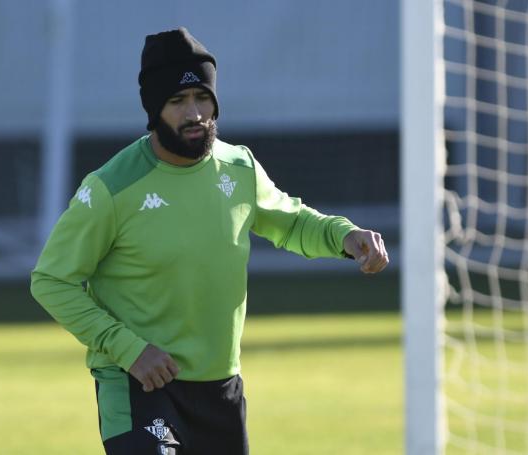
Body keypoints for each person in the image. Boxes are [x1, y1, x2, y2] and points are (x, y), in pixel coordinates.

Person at [30, 27, 388, 455]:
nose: (195, 113)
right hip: (140, 385)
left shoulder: (239, 168)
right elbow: (52, 280)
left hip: (220, 388)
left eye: (203, 98)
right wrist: (129, 350)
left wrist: (344, 235)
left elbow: (291, 223)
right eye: (178, 102)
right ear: (153, 110)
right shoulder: (110, 189)